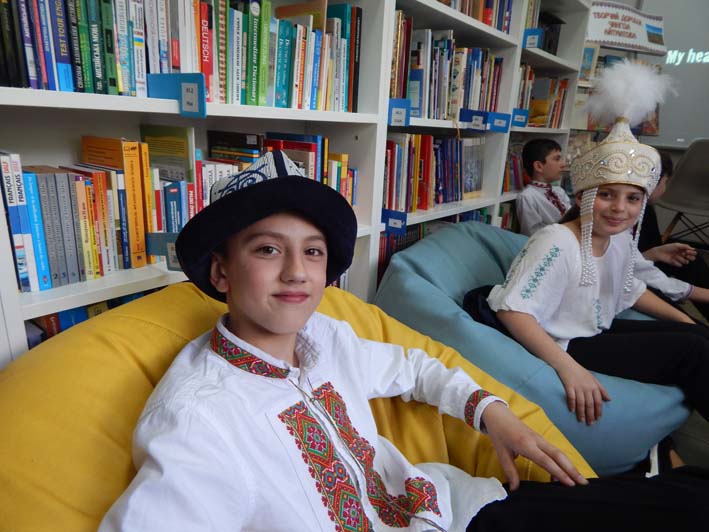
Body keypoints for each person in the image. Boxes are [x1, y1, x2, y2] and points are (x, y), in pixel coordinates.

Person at [98, 150, 709, 532]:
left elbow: (419, 368)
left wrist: (493, 413)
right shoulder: (199, 415)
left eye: (313, 252)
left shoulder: (324, 337)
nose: (297, 273)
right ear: (221, 272)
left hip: (458, 508)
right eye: (266, 250)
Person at [488, 61, 709, 431]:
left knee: (697, 335)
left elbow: (631, 288)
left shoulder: (619, 238)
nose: (620, 208)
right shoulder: (557, 241)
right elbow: (514, 312)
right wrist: (568, 368)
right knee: (694, 352)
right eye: (607, 195)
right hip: (569, 342)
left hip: (596, 328)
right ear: (584, 196)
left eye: (632, 199)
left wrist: (688, 321)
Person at [638, 150, 709, 319]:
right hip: (634, 278)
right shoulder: (638, 212)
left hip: (641, 264)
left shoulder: (645, 210)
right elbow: (625, 268)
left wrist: (653, 253)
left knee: (689, 259)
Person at [516, 138, 571, 236]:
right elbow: (532, 233)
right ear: (539, 166)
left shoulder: (559, 191)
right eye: (557, 159)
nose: (563, 164)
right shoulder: (528, 196)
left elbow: (571, 217)